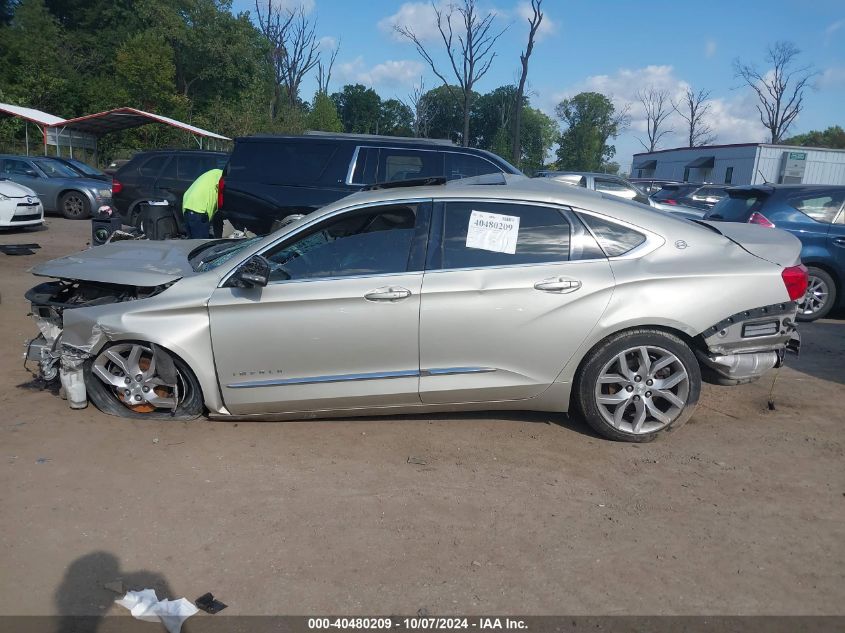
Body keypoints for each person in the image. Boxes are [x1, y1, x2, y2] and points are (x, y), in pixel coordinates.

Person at [182, 168, 223, 239]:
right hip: (199, 210)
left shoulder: (213, 174)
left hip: (187, 207)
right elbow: (221, 191)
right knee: (201, 243)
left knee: (192, 242)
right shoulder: (220, 176)